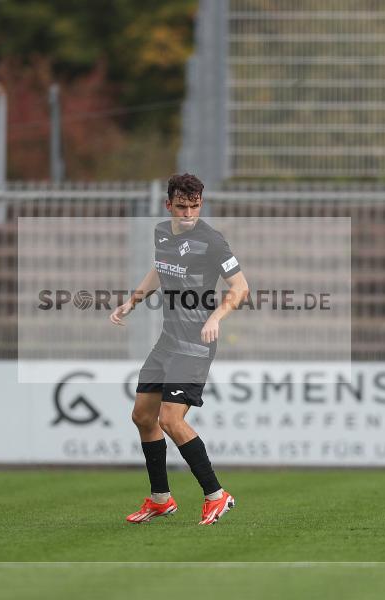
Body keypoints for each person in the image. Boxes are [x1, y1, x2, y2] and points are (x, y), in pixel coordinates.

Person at [110, 173, 250, 525]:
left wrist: (216, 317)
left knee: (170, 419)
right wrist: (133, 301)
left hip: (195, 343)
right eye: (182, 207)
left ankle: (217, 496)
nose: (188, 214)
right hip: (168, 341)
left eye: (195, 207)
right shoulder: (161, 232)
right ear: (168, 204)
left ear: (201, 204)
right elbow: (160, 269)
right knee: (142, 416)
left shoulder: (212, 241)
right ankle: (161, 500)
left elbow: (241, 288)